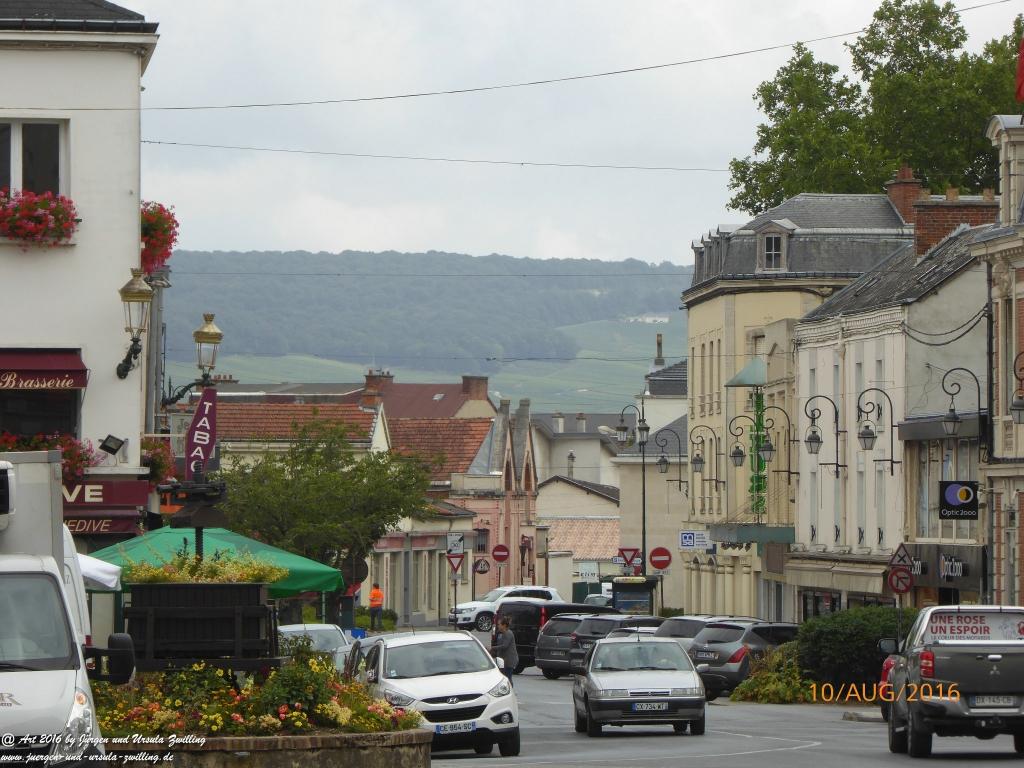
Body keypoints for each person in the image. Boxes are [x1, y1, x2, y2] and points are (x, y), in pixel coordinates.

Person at [491, 617, 518, 686]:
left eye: (499, 624)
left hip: (509, 660)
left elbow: (504, 646)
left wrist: (492, 648)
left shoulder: (508, 633)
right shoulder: (501, 634)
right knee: (503, 678)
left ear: (504, 625)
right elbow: (499, 645)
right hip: (502, 660)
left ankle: (510, 691)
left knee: (507, 678)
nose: (498, 626)